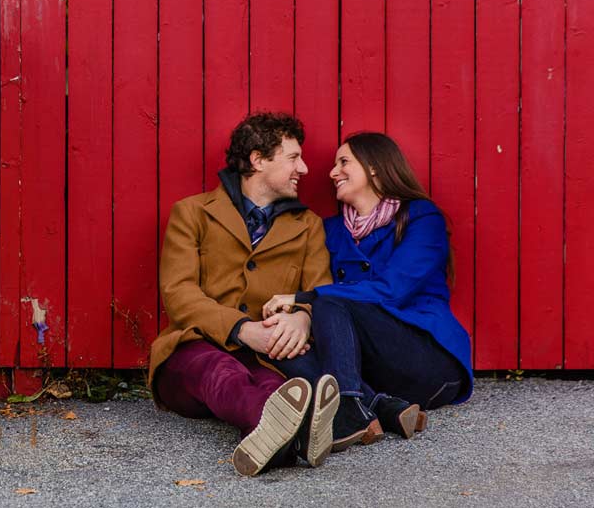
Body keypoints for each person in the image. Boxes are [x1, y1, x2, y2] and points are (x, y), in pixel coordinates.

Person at [149, 112, 340, 476]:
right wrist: (242, 329)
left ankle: (278, 443)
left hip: (266, 356)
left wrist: (302, 317)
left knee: (275, 385)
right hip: (192, 349)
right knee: (219, 370)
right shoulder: (192, 213)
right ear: (257, 159)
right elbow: (178, 292)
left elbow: (320, 291)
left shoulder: (308, 226)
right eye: (293, 157)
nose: (305, 167)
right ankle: (295, 431)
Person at [263, 132, 473, 452]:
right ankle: (380, 407)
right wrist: (293, 317)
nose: (333, 172)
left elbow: (393, 289)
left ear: (374, 166)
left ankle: (349, 408)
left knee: (330, 300)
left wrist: (305, 298)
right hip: (372, 369)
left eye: (344, 162)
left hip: (429, 362)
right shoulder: (330, 230)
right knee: (278, 337)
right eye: (334, 165)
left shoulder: (420, 216)